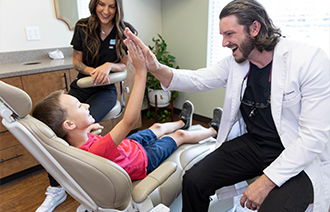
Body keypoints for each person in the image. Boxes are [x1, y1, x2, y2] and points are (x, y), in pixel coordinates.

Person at [124, 0, 330, 211]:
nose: (223, 43)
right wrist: (155, 67)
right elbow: (197, 79)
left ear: (255, 28)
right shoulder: (237, 62)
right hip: (255, 143)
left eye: (229, 34)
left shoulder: (308, 59)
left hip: (295, 149)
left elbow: (314, 137)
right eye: (222, 35)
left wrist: (267, 180)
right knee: (194, 181)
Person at [32, 40, 221, 209]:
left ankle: (182, 121)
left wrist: (87, 128)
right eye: (79, 106)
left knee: (156, 127)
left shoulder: (73, 144)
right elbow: (129, 120)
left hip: (128, 146)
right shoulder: (97, 150)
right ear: (69, 125)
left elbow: (88, 136)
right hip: (143, 160)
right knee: (179, 137)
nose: (87, 104)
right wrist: (140, 71)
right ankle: (214, 130)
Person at [35, 0, 137, 211]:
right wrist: (94, 71)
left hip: (106, 90)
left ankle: (88, 179)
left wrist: (108, 66)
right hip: (81, 88)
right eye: (102, 4)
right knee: (55, 131)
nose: (106, 11)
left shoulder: (125, 30)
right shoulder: (83, 27)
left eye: (111, 6)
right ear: (94, 4)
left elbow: (125, 64)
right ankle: (56, 190)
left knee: (81, 131)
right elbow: (77, 63)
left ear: (118, 8)